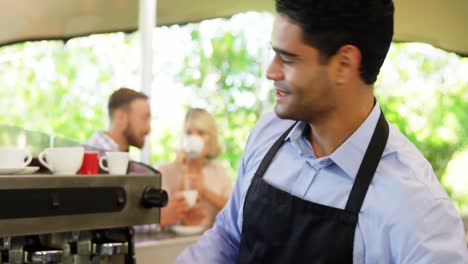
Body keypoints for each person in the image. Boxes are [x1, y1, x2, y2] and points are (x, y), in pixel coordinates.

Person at [177, 0, 468, 263]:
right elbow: (228, 239)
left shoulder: (417, 206)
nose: (271, 71)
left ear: (344, 64)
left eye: (288, 59)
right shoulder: (267, 134)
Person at [158, 108, 232, 229]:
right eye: (188, 133)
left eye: (201, 133)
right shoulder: (165, 170)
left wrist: (204, 191)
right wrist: (184, 173)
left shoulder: (218, 171)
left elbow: (234, 210)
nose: (193, 138)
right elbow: (161, 215)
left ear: (211, 138)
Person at [85, 87, 151, 155]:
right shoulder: (88, 159)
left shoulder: (118, 158)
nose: (148, 129)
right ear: (121, 117)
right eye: (144, 118)